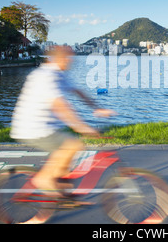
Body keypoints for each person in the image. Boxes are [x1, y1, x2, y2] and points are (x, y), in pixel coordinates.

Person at [10, 45, 115, 192]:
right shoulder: (46, 77)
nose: (71, 62)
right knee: (74, 145)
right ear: (59, 58)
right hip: (34, 128)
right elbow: (61, 106)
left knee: (66, 161)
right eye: (68, 58)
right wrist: (82, 127)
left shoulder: (59, 74)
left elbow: (79, 92)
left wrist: (97, 108)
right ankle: (44, 179)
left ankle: (56, 187)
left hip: (47, 127)